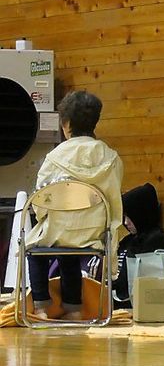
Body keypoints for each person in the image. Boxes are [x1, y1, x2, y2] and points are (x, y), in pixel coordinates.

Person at [27, 90, 123, 320]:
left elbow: (40, 201)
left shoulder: (54, 158)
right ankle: (74, 309)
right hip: (94, 233)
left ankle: (41, 307)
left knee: (35, 246)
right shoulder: (111, 158)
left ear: (66, 123)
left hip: (59, 230)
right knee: (70, 248)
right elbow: (113, 199)